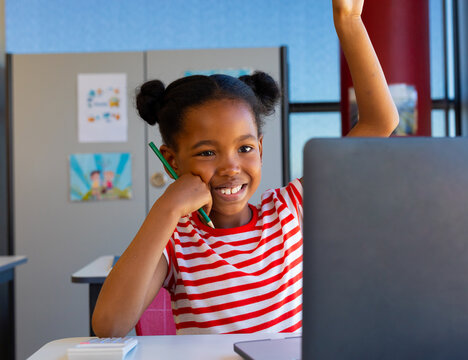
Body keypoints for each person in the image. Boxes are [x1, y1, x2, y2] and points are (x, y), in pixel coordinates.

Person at [92, 0, 399, 337]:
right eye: (208, 152)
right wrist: (166, 207)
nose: (231, 166)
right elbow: (109, 326)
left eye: (245, 148)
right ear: (171, 160)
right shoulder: (177, 242)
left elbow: (380, 122)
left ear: (261, 149)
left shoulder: (290, 209)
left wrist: (350, 21)